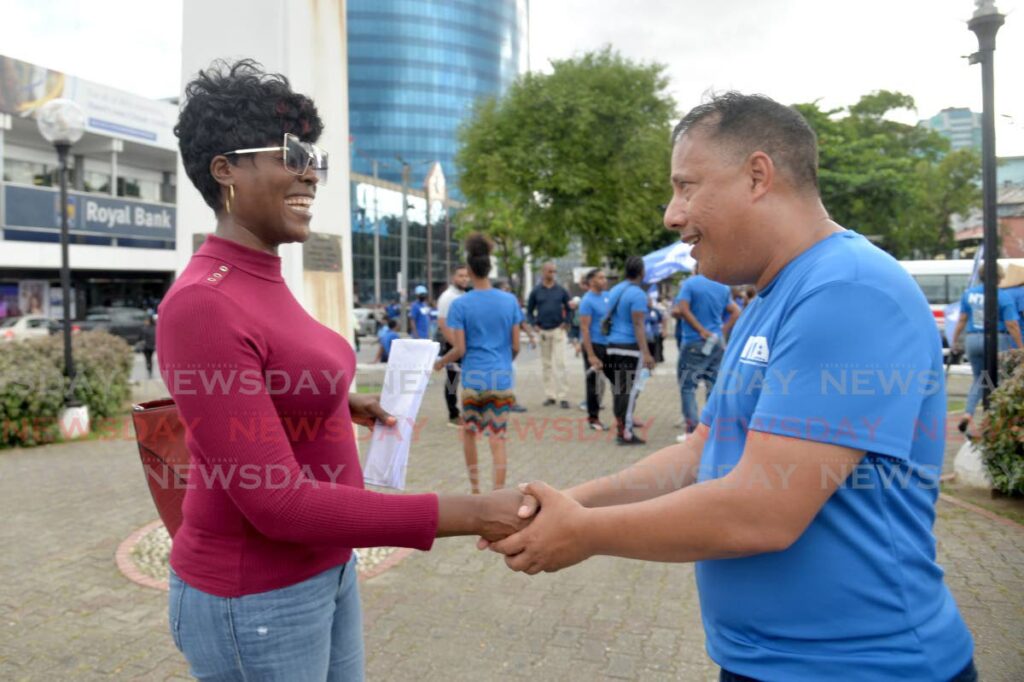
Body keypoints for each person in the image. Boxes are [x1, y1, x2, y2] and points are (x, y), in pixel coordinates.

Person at [487, 92, 977, 682]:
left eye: (686, 186)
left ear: (757, 175)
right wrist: (571, 502)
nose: (671, 214)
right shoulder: (771, 299)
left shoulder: (847, 290)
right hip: (765, 661)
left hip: (860, 666)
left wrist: (584, 533)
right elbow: (702, 452)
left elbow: (762, 512)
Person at [161, 59, 529, 681]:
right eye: (290, 154)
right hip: (256, 598)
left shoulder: (264, 276)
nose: (310, 172)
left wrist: (334, 400)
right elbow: (276, 503)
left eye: (314, 157)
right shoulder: (204, 303)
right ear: (224, 170)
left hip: (324, 569)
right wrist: (470, 513)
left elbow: (274, 375)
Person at [434, 234, 523, 493]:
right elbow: (516, 345)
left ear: (470, 270)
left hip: (473, 379)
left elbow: (460, 348)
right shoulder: (509, 301)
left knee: (469, 434)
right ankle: (498, 494)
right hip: (502, 378)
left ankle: (475, 490)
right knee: (498, 438)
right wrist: (505, 361)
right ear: (490, 268)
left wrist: (441, 362)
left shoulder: (461, 305)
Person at [950, 263, 1022, 436]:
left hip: (973, 339)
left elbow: (962, 320)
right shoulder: (1002, 296)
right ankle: (996, 421)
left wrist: (954, 341)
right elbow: (1011, 324)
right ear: (997, 277)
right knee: (1001, 379)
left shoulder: (969, 294)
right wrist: (1021, 347)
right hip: (996, 339)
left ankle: (968, 414)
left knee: (979, 379)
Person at [672, 263, 741, 442]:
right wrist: (722, 331)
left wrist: (700, 329)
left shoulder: (690, 283)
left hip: (694, 342)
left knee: (688, 387)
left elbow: (682, 308)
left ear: (696, 268)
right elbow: (736, 312)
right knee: (712, 386)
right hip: (717, 343)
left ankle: (692, 431)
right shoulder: (723, 286)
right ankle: (710, 430)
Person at [603, 256, 654, 445]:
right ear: (641, 272)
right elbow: (638, 324)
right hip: (630, 349)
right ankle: (626, 433)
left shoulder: (616, 290)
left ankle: (620, 428)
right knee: (629, 392)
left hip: (612, 347)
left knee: (618, 390)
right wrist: (647, 353)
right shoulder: (638, 294)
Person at [526, 261, 571, 408]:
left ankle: (563, 396)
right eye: (550, 271)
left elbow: (570, 308)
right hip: (543, 331)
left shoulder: (561, 290)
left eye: (554, 271)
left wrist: (566, 322)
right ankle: (550, 395)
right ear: (543, 272)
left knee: (561, 363)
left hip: (558, 330)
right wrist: (534, 324)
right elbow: (529, 310)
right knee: (546, 365)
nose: (552, 274)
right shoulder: (536, 291)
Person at [437, 264, 470, 427]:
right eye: (460, 275)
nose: (464, 279)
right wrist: (457, 346)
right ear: (453, 278)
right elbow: (443, 324)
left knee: (469, 380)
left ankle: (469, 413)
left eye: (466, 276)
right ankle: (453, 415)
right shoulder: (447, 296)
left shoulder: (466, 295)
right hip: (453, 347)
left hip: (464, 345)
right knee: (452, 381)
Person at [578, 268, 610, 431]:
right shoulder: (587, 301)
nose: (604, 280)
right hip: (594, 345)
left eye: (604, 277)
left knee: (605, 382)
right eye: (600, 278)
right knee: (594, 384)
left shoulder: (607, 296)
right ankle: (593, 418)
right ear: (591, 281)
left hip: (608, 345)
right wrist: (590, 354)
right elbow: (585, 329)